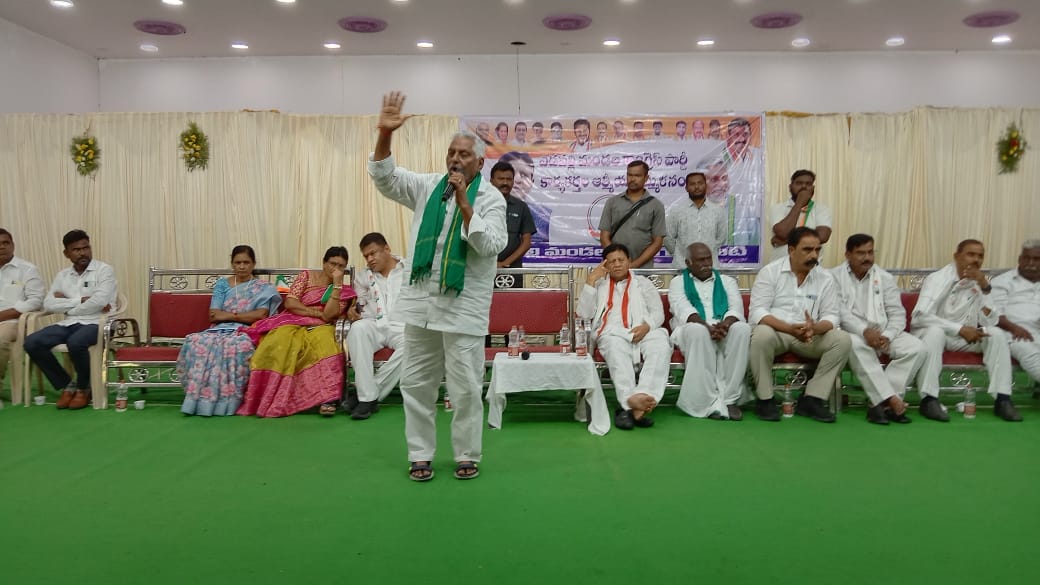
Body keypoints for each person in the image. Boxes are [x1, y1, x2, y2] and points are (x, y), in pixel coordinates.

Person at [368, 91, 507, 482]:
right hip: (421, 306)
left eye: (464, 154)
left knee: (465, 389)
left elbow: (491, 245)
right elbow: (386, 178)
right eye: (451, 153)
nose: (455, 159)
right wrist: (385, 134)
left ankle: (467, 454)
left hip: (462, 309)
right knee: (416, 383)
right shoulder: (429, 186)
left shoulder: (491, 199)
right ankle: (420, 454)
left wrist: (465, 204)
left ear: (479, 162)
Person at [237, 247, 357, 418]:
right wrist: (315, 313)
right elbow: (291, 303)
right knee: (278, 341)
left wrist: (337, 286)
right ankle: (266, 397)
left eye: (341, 266)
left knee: (327, 345)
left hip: (322, 326)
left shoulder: (344, 291)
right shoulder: (306, 276)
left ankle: (327, 399)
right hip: (293, 320)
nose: (335, 269)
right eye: (332, 264)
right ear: (324, 263)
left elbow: (330, 315)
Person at [911, 239, 1022, 422]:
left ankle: (1003, 400)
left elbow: (990, 321)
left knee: (996, 334)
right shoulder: (938, 279)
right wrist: (960, 329)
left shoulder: (978, 282)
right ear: (956, 256)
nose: (976, 260)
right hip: (936, 335)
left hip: (966, 337)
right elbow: (919, 317)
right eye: (971, 254)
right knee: (934, 333)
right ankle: (929, 400)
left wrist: (985, 289)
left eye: (980, 256)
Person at [748, 227, 850, 422]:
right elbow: (758, 312)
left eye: (817, 250)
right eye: (807, 250)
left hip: (808, 336)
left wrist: (815, 328)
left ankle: (812, 399)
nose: (814, 255)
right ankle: (765, 399)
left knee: (842, 340)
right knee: (761, 334)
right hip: (777, 332)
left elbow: (831, 316)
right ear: (791, 250)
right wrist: (788, 329)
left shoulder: (825, 278)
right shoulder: (770, 272)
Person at [176, 245, 281, 416]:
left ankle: (228, 401)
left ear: (253, 264)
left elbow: (261, 315)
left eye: (246, 262)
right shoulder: (222, 285)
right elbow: (214, 315)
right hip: (219, 329)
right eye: (237, 263)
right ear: (232, 264)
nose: (242, 266)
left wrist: (230, 315)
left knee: (237, 344)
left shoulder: (263, 287)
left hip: (248, 331)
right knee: (197, 341)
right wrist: (242, 315)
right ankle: (199, 400)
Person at [829, 234, 922, 425]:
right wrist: (864, 331)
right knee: (853, 344)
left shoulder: (885, 278)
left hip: (883, 331)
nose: (867, 258)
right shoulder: (833, 277)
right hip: (851, 332)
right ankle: (889, 401)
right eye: (860, 253)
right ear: (847, 254)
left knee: (917, 348)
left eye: (870, 252)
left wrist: (887, 336)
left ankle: (880, 403)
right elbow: (840, 312)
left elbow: (897, 313)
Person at [577, 243, 670, 430]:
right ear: (605, 265)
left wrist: (647, 327)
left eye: (621, 260)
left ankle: (642, 398)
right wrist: (591, 280)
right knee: (615, 349)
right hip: (612, 332)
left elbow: (658, 313)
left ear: (629, 261)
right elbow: (584, 314)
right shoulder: (600, 285)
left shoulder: (643, 283)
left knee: (661, 344)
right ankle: (629, 406)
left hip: (643, 329)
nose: (617, 264)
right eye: (612, 261)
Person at [24, 229, 117, 410]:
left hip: (98, 322)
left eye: (86, 247)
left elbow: (100, 301)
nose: (82, 253)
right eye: (76, 249)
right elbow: (49, 304)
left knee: (76, 342)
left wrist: (66, 304)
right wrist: (80, 300)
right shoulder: (62, 275)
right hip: (68, 323)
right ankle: (67, 385)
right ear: (66, 253)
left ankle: (84, 388)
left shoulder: (104, 270)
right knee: (32, 342)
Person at [668, 243, 749, 420]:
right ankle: (705, 401)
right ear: (688, 263)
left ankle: (730, 399)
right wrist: (707, 327)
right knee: (698, 332)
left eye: (708, 259)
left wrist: (725, 325)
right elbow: (683, 309)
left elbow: (736, 307)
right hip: (691, 328)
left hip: (723, 326)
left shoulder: (727, 281)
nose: (706, 264)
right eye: (700, 260)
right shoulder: (677, 282)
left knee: (742, 329)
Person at [344, 233, 408, 420]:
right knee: (357, 330)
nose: (370, 259)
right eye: (366, 256)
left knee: (414, 344)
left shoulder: (409, 270)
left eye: (373, 253)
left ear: (387, 249)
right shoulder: (363, 277)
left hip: (403, 327)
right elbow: (360, 304)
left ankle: (368, 396)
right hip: (375, 324)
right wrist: (353, 310)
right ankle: (368, 395)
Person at [597, 160, 666, 268]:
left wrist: (633, 265)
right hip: (615, 268)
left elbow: (657, 243)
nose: (632, 179)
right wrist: (617, 261)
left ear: (646, 178)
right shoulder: (612, 202)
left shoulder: (656, 205)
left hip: (643, 269)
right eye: (629, 175)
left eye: (637, 175)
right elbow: (604, 237)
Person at [0, 229, 45, 390]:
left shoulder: (27, 269)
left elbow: (36, 301)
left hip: (15, 322)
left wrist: (4, 315)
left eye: (5, 243)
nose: (2, 247)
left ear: (13, 245)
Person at [992, 240, 1040, 388]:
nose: (1031, 263)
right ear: (1020, 259)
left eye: (1036, 259)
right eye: (1027, 258)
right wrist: (1014, 328)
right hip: (1011, 332)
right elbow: (994, 314)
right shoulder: (1002, 281)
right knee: (1028, 351)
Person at [664, 171, 727, 267]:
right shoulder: (677, 211)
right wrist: (680, 255)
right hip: (683, 267)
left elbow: (721, 238)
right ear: (686, 188)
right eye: (692, 184)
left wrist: (709, 252)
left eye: (700, 183)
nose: (697, 187)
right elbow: (668, 238)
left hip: (710, 267)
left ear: (706, 186)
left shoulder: (717, 211)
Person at [769, 170, 832, 261]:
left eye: (808, 184)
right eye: (799, 183)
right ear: (790, 187)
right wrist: (799, 203)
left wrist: (787, 240)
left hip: (811, 265)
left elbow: (822, 236)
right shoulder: (778, 208)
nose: (804, 186)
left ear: (813, 188)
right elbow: (783, 233)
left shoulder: (822, 209)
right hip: (780, 266)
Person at [490, 161, 536, 274]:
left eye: (509, 179)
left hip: (512, 269)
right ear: (491, 181)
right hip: (483, 269)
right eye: (501, 179)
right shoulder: (481, 204)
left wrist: (504, 264)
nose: (505, 183)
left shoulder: (521, 207)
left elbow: (526, 243)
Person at [499, 151, 550, 244]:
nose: (517, 179)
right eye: (511, 174)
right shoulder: (483, 209)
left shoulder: (543, 216)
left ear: (531, 182)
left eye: (524, 175)